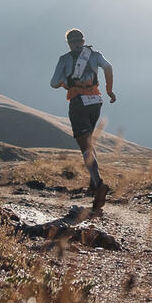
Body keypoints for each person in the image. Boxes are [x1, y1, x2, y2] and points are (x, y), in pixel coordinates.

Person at [50, 28, 116, 211]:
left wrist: (66, 82)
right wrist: (109, 90)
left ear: (69, 43)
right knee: (89, 142)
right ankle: (93, 184)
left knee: (84, 146)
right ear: (83, 40)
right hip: (96, 101)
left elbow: (54, 83)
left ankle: (99, 183)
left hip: (78, 103)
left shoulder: (64, 59)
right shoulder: (95, 54)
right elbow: (108, 67)